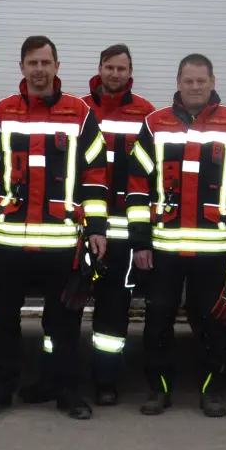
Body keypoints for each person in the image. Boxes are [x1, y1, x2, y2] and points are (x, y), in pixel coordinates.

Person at [0, 35, 109, 420]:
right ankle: (0, 391)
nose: (39, 69)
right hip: (9, 239)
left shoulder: (79, 114)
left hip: (63, 240)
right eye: (32, 63)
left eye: (46, 62)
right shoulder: (3, 113)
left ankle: (65, 389)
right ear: (22, 67)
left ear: (57, 67)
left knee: (63, 321)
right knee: (6, 320)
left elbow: (95, 176)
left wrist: (96, 227)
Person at [126, 54, 226, 417]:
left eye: (201, 81)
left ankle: (212, 391)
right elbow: (136, 188)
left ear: (213, 82)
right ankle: (158, 390)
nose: (195, 88)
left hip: (215, 247)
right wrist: (140, 241)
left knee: (215, 321)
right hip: (163, 248)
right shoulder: (154, 124)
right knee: (157, 320)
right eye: (188, 81)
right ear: (178, 83)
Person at [82, 44, 156, 406]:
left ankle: (106, 381)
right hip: (82, 227)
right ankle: (58, 378)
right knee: (64, 307)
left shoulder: (147, 115)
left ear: (130, 72)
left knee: (114, 309)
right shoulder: (78, 109)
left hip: (124, 229)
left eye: (121, 68)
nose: (115, 74)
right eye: (109, 67)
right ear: (99, 68)